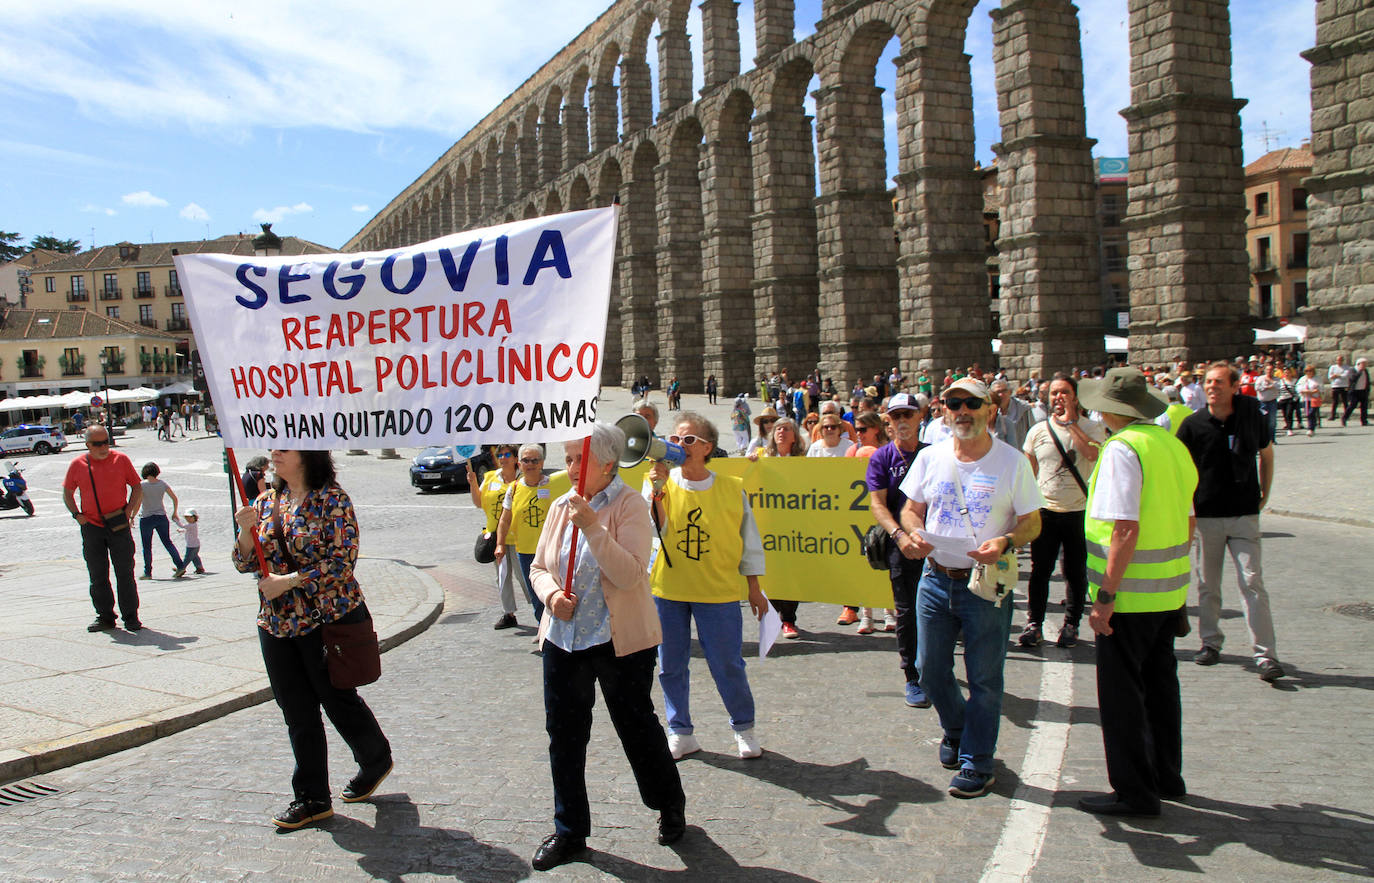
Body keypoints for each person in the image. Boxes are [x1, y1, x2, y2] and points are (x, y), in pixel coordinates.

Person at [528, 425, 687, 871]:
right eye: (568, 458)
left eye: (578, 459)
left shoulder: (629, 504)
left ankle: (668, 804)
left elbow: (631, 574)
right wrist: (551, 596)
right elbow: (540, 567)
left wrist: (593, 527)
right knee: (564, 734)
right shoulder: (561, 505)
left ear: (607, 464)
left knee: (636, 726)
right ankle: (569, 831)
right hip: (565, 639)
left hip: (619, 642)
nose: (570, 469)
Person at [898, 378, 1043, 798]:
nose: (962, 410)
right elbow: (910, 508)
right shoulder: (931, 458)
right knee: (929, 670)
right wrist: (914, 532)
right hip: (935, 578)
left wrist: (1006, 541)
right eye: (953, 403)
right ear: (944, 411)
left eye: (972, 403)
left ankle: (977, 761)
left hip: (985, 585)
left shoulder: (1012, 462)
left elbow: (1032, 521)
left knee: (984, 677)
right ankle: (958, 729)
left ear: (990, 410)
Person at [232, 449, 392, 830]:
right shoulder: (266, 501)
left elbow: (342, 562)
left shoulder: (332, 500)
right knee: (297, 711)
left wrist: (289, 581)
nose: (274, 455)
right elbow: (244, 563)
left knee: (337, 700)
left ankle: (375, 758)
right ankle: (312, 798)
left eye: (283, 449)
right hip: (276, 623)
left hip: (324, 619)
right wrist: (244, 532)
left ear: (306, 456)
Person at [1076, 367, 1198, 817]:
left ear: (1110, 410)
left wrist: (1105, 598)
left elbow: (1123, 529)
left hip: (1130, 598)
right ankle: (1168, 776)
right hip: (1168, 592)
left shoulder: (1121, 449)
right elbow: (1188, 520)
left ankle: (1134, 790)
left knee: (1123, 695)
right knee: (1162, 687)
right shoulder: (1171, 446)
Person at [647, 412, 769, 758]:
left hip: (718, 592)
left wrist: (754, 587)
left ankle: (743, 727)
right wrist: (657, 490)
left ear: (707, 448)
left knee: (728, 663)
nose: (678, 445)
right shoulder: (659, 482)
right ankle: (680, 730)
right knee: (670, 664)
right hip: (669, 589)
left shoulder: (731, 487)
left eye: (688, 440)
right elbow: (658, 529)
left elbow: (749, 541)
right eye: (675, 438)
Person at [1177, 362, 1283, 682]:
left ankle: (1265, 654)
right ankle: (1210, 643)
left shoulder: (1250, 418)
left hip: (1243, 515)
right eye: (1208, 382)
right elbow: (1180, 470)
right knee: (1208, 586)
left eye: (1219, 382)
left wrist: (1265, 492)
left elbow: (1267, 454)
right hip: (1207, 517)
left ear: (1235, 386)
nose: (1212, 387)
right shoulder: (1193, 425)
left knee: (1252, 582)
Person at [1020, 374, 1107, 648]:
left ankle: (1072, 624)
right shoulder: (1037, 431)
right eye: (1054, 393)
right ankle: (1034, 623)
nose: (1058, 397)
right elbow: (1028, 473)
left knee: (1075, 571)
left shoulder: (1092, 427)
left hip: (1078, 511)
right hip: (1046, 510)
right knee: (1040, 570)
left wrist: (1072, 424)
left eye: (1064, 393)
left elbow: (1091, 455)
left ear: (1076, 397)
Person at [865, 393, 930, 704]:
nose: (903, 421)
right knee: (906, 612)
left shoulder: (935, 454)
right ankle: (912, 675)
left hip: (935, 546)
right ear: (887, 421)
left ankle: (935, 667)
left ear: (920, 418)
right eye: (896, 416)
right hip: (900, 546)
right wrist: (899, 536)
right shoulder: (882, 457)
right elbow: (877, 503)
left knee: (940, 612)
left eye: (908, 414)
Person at [63, 426, 144, 632]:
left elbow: (136, 486)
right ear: (87, 445)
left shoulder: (121, 459)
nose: (103, 447)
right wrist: (77, 515)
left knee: (125, 572)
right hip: (92, 527)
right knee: (98, 574)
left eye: (106, 442)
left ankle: (131, 617)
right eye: (97, 444)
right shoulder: (77, 464)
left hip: (118, 524)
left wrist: (129, 511)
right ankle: (105, 617)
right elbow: (67, 492)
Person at [748, 416, 806, 637]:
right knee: (769, 572)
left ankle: (788, 620)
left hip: (794, 526)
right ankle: (770, 617)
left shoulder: (802, 460)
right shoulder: (761, 456)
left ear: (794, 435)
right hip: (768, 524)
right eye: (778, 429)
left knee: (792, 572)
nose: (781, 432)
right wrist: (751, 463)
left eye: (787, 429)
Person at [497, 444, 553, 624]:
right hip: (525, 551)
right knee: (535, 592)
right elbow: (505, 520)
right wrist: (500, 544)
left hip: (550, 550)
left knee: (553, 590)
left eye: (535, 460)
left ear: (542, 462)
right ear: (519, 464)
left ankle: (554, 626)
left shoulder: (553, 485)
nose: (530, 464)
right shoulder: (513, 489)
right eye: (526, 460)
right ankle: (543, 625)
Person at [472, 445, 523, 629]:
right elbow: (478, 503)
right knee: (502, 576)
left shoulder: (524, 478)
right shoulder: (490, 477)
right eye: (499, 455)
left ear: (516, 458)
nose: (502, 458)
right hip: (497, 537)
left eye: (507, 454)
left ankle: (541, 611)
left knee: (524, 576)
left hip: (520, 537)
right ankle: (508, 613)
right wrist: (472, 483)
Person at [138, 462, 188, 580]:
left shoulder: (142, 485)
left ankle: (148, 572)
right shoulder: (162, 484)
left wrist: (131, 517)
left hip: (146, 518)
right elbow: (174, 498)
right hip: (161, 517)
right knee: (167, 542)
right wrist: (174, 512)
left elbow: (138, 502)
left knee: (147, 546)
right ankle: (180, 565)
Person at [173, 508, 206, 574]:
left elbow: (182, 526)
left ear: (195, 517)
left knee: (187, 558)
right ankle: (199, 568)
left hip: (192, 546)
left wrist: (176, 520)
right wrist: (181, 531)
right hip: (195, 545)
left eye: (190, 517)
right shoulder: (192, 525)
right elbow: (187, 530)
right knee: (194, 557)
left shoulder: (191, 525)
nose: (188, 519)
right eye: (186, 517)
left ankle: (181, 568)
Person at [1296, 365, 1322, 436]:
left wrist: (1313, 392)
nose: (1308, 372)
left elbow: (1320, 388)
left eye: (1310, 371)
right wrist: (1305, 391)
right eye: (1307, 371)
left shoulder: (1317, 379)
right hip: (1305, 399)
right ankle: (1312, 425)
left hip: (1314, 399)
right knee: (1308, 413)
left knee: (1311, 413)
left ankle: (1310, 428)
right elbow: (1298, 388)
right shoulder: (1303, 379)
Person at [1344, 357, 1370, 426]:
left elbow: (1367, 381)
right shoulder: (1352, 370)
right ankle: (1344, 418)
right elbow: (1352, 379)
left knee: (1364, 406)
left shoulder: (1365, 371)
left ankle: (1364, 420)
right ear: (1358, 364)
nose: (1365, 366)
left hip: (1363, 390)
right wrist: (1359, 371)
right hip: (1354, 391)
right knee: (1353, 405)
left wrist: (1367, 389)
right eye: (1363, 364)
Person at [1327, 355, 1351, 421]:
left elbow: (1345, 375)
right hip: (1335, 386)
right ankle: (1333, 415)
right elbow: (1330, 376)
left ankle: (1346, 415)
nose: (1339, 361)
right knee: (1335, 402)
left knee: (1345, 401)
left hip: (1344, 385)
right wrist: (1338, 376)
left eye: (1340, 360)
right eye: (1338, 360)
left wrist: (1337, 375)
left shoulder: (1346, 367)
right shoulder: (1333, 367)